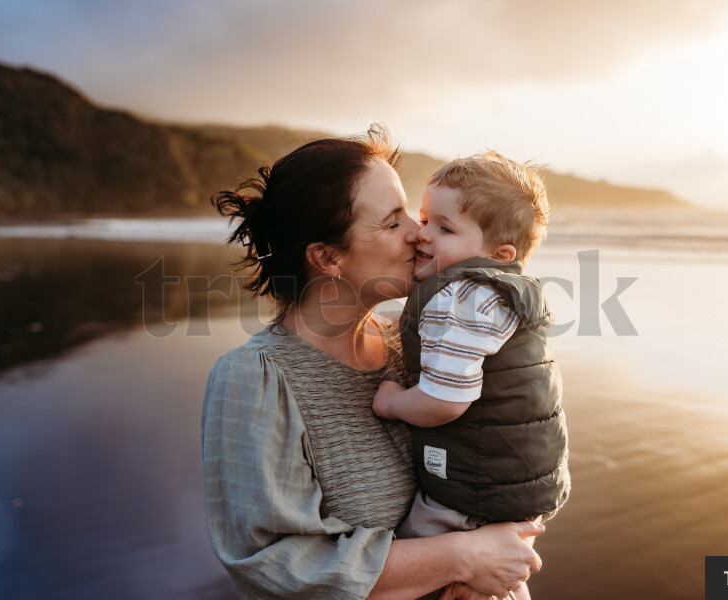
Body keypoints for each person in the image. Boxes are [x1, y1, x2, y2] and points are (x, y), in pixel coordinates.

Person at [202, 127, 546, 600]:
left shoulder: (423, 345)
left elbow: (515, 448)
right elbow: (272, 564)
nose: (418, 234)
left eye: (411, 213)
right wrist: (464, 557)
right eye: (392, 222)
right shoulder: (257, 378)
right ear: (326, 256)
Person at [372, 153, 570, 599]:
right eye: (425, 219)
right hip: (516, 480)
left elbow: (445, 401)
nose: (422, 235)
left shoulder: (460, 298)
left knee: (425, 567)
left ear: (499, 254)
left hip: (471, 490)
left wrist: (391, 402)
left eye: (444, 228)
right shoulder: (504, 292)